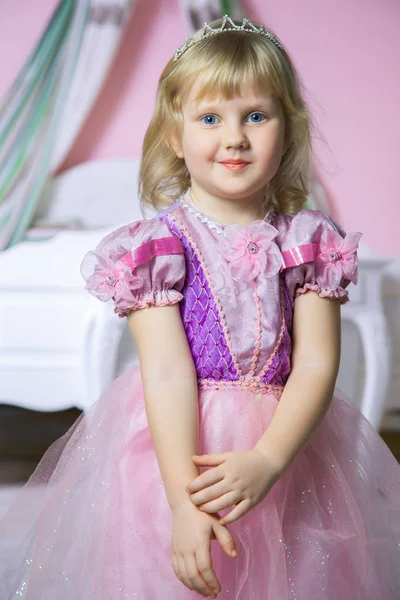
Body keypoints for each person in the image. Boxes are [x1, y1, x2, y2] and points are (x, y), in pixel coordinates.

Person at [0, 14, 399, 600]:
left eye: (256, 116)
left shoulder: (308, 241)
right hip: (184, 450)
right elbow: (166, 372)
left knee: (296, 567)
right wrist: (183, 503)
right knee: (178, 573)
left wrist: (267, 459)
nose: (233, 137)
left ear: (287, 130)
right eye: (210, 118)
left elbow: (316, 364)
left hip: (286, 446)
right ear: (174, 136)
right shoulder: (153, 250)